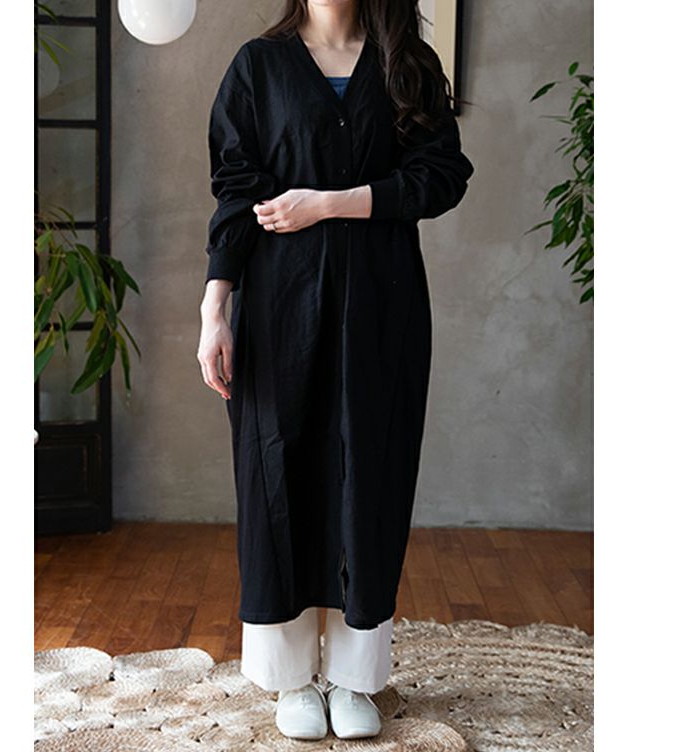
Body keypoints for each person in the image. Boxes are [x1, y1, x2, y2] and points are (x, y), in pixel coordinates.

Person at [196, 0, 474, 740]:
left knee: (370, 477)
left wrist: (331, 204)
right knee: (279, 472)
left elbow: (442, 175)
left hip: (382, 305)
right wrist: (214, 309)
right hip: (278, 305)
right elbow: (235, 190)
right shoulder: (258, 67)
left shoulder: (406, 63)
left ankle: (355, 677)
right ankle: (291, 677)